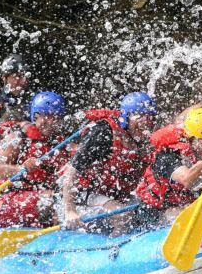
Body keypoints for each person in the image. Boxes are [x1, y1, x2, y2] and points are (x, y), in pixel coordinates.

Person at [61, 92, 158, 235]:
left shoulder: (145, 137)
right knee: (122, 215)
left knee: (150, 210)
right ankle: (116, 244)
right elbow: (71, 172)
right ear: (126, 118)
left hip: (116, 193)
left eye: (149, 118)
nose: (146, 123)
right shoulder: (103, 133)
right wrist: (70, 210)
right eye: (140, 117)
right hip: (86, 194)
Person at [131, 107, 202, 230]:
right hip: (157, 210)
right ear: (190, 139)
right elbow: (188, 180)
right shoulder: (168, 155)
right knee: (178, 214)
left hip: (191, 202)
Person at [0, 91, 70, 228]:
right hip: (6, 204)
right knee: (54, 199)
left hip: (41, 198)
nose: (51, 122)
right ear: (36, 116)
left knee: (68, 197)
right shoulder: (18, 137)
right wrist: (21, 168)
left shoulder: (61, 142)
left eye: (56, 118)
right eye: (47, 116)